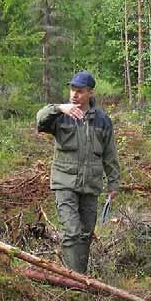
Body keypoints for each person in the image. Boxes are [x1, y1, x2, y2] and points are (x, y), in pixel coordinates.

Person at [36, 71, 121, 273]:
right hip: (65, 183)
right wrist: (58, 108)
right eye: (72, 89)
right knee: (72, 231)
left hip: (90, 185)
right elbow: (39, 120)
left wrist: (113, 183)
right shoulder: (59, 116)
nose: (74, 95)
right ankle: (74, 281)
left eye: (80, 91)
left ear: (90, 93)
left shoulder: (102, 120)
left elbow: (110, 154)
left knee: (85, 233)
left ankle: (79, 277)